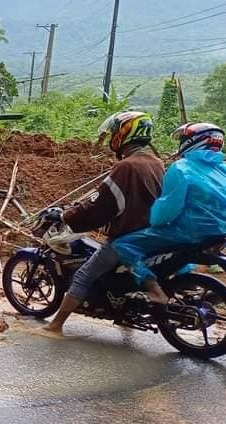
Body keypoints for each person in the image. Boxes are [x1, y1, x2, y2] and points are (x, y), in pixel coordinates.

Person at [45, 112, 165, 333]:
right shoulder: (156, 162)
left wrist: (67, 215)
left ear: (124, 134)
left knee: (83, 276)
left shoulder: (126, 166)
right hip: (151, 235)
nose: (112, 137)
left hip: (128, 236)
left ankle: (54, 326)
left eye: (114, 132)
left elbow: (101, 205)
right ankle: (126, 320)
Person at [113, 123, 226, 304]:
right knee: (179, 250)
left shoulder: (182, 168)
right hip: (220, 235)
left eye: (184, 139)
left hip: (187, 232)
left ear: (193, 141)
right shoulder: (225, 170)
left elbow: (167, 209)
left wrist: (152, 221)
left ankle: (154, 290)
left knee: (123, 245)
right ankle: (184, 282)